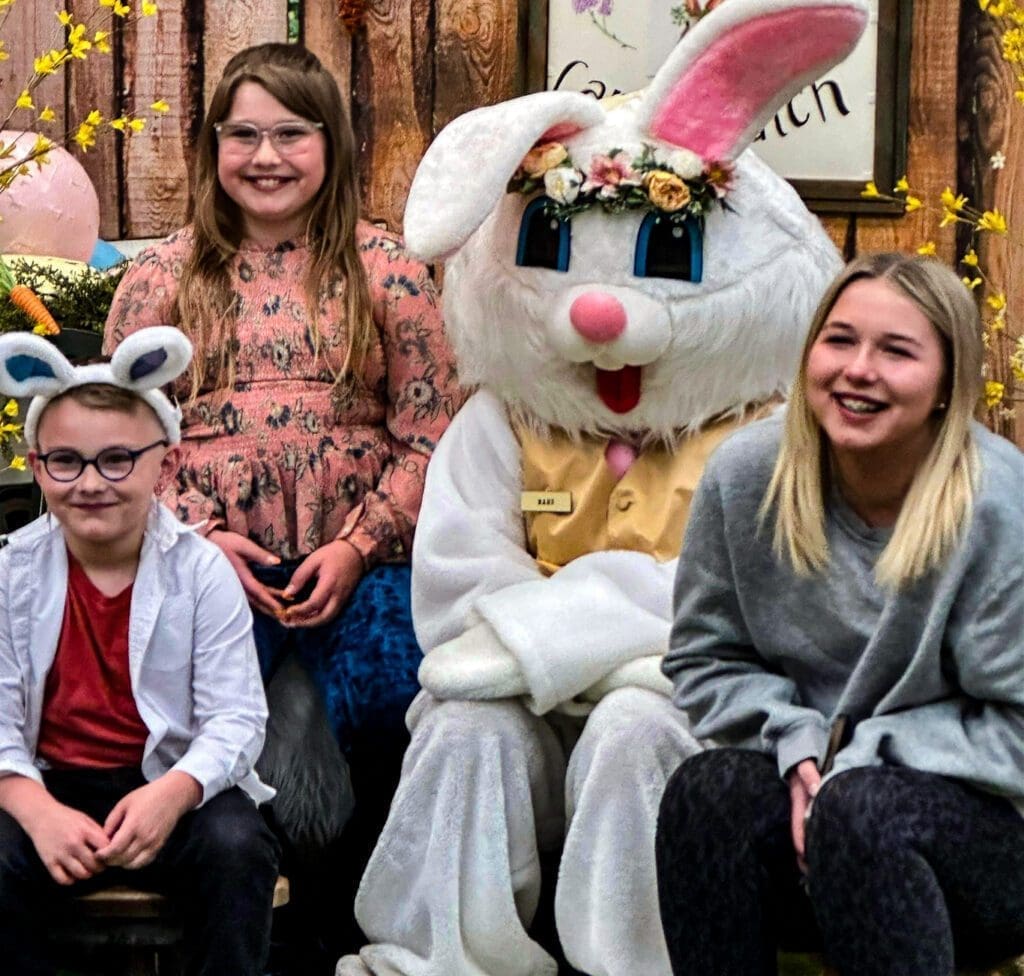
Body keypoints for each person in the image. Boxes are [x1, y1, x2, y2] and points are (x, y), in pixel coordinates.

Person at [103, 41, 462, 968]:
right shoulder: (162, 279)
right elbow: (124, 431)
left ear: (330, 145)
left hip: (364, 556)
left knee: (397, 695)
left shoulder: (389, 271)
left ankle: (354, 932)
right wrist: (199, 539)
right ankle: (228, 935)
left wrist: (359, 544)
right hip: (204, 560)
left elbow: (431, 433)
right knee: (197, 712)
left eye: (292, 134)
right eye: (245, 134)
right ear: (213, 146)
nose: (267, 156)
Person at [656, 252, 1024, 976]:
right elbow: (703, 660)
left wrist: (856, 761)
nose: (859, 369)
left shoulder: (995, 507)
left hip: (981, 852)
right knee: (707, 793)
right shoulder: (746, 478)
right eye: (840, 340)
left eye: (897, 351)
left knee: (864, 813)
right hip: (814, 813)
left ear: (948, 383)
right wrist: (801, 753)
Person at [0, 327, 279, 976]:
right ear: (38, 465)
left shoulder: (201, 571)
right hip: (48, 779)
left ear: (166, 462)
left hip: (170, 779)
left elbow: (236, 717)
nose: (91, 482)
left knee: (236, 845)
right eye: (66, 461)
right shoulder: (13, 575)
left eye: (118, 459)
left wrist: (176, 792)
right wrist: (33, 806)